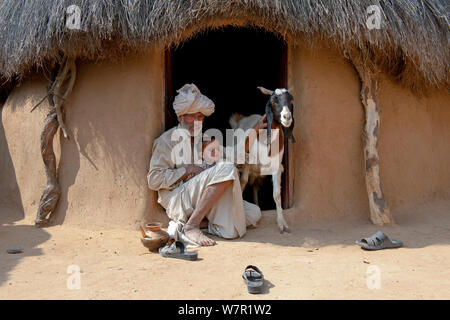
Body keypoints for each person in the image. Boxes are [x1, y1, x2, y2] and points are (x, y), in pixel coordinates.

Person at [147, 84, 266, 246]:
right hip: (178, 198)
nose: (196, 122)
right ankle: (192, 226)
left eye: (200, 118)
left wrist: (255, 131)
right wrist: (186, 170)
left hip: (201, 198)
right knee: (226, 169)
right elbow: (154, 179)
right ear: (180, 117)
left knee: (253, 213)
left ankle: (196, 224)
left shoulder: (203, 139)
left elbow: (235, 155)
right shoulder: (166, 141)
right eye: (192, 117)